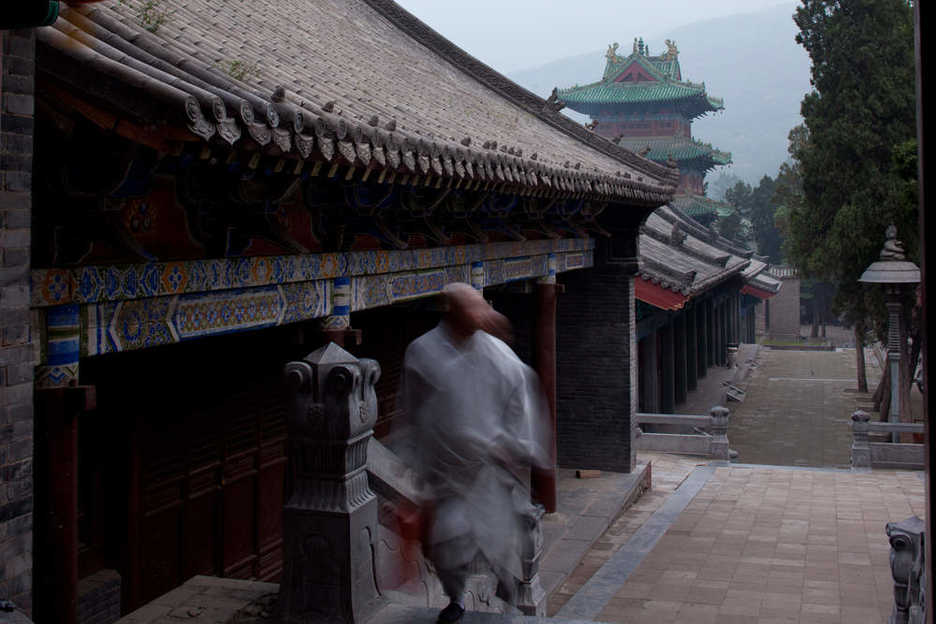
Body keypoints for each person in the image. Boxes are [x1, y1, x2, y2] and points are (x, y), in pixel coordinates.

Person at [397, 283, 548, 624]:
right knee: (447, 542)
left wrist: (518, 446)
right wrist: (410, 463)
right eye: (472, 310)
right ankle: (456, 599)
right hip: (445, 472)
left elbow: (520, 398)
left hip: (487, 469)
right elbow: (410, 410)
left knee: (502, 543)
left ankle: (509, 598)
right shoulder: (422, 351)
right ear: (452, 312)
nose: (481, 317)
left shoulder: (498, 354)